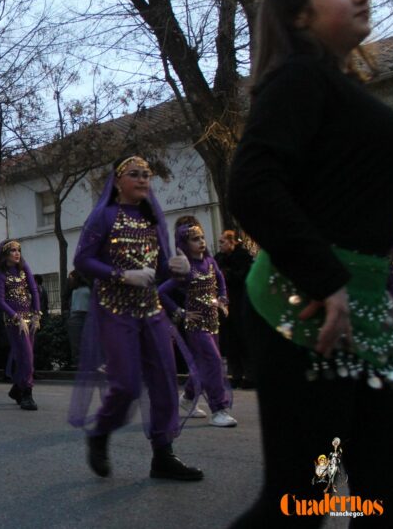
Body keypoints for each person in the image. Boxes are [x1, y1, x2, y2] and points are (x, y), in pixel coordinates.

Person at [227, 0, 393, 526]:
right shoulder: (300, 78)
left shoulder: (337, 85)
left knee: (384, 489)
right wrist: (325, 279)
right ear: (300, 15)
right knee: (303, 498)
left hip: (362, 302)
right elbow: (252, 186)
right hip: (302, 304)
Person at [69, 155, 203, 481]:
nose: (143, 179)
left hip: (152, 311)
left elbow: (158, 273)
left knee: (165, 383)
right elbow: (83, 260)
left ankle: (163, 454)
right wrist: (120, 275)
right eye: (134, 174)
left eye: (146, 174)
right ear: (117, 182)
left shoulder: (152, 220)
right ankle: (100, 432)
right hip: (115, 311)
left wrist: (180, 270)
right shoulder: (103, 216)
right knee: (127, 385)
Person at [158, 223, 237, 427]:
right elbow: (162, 292)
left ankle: (187, 399)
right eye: (195, 239)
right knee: (213, 361)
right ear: (184, 244)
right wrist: (180, 313)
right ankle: (219, 409)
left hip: (213, 322)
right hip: (196, 325)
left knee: (203, 366)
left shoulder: (211, 262)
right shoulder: (185, 269)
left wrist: (222, 299)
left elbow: (220, 282)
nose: (201, 241)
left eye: (202, 237)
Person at [0, 240, 41, 411]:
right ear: (5, 254)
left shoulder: (23, 268)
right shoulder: (1, 274)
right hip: (15, 322)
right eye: (13, 250)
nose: (17, 253)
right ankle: (27, 393)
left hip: (30, 320)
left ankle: (17, 388)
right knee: (26, 356)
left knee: (26, 357)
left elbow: (34, 290)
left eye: (18, 250)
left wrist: (37, 314)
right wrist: (16, 318)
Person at [214, 230, 255, 388]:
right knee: (231, 342)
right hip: (226, 305)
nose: (221, 245)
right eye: (220, 242)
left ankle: (250, 376)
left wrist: (227, 274)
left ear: (232, 242)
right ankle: (235, 375)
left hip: (240, 302)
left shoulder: (242, 256)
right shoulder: (219, 258)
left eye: (223, 242)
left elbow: (243, 276)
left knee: (244, 339)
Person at [64, 271, 90, 369]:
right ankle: (78, 363)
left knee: (79, 342)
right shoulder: (74, 290)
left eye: (71, 278)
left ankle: (81, 363)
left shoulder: (86, 289)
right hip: (76, 315)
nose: (70, 279)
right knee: (76, 343)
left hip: (83, 315)